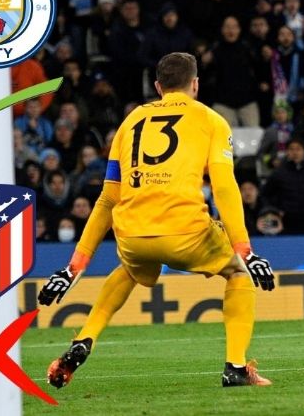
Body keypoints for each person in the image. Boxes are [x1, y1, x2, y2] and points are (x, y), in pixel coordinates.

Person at [37, 53, 275, 389]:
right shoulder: (211, 120)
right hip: (185, 231)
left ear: (158, 87)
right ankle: (235, 367)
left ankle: (86, 337)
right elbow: (224, 187)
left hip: (132, 233)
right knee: (237, 272)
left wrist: (73, 267)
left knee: (131, 271)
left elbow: (107, 198)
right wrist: (245, 250)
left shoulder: (130, 121)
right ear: (195, 84)